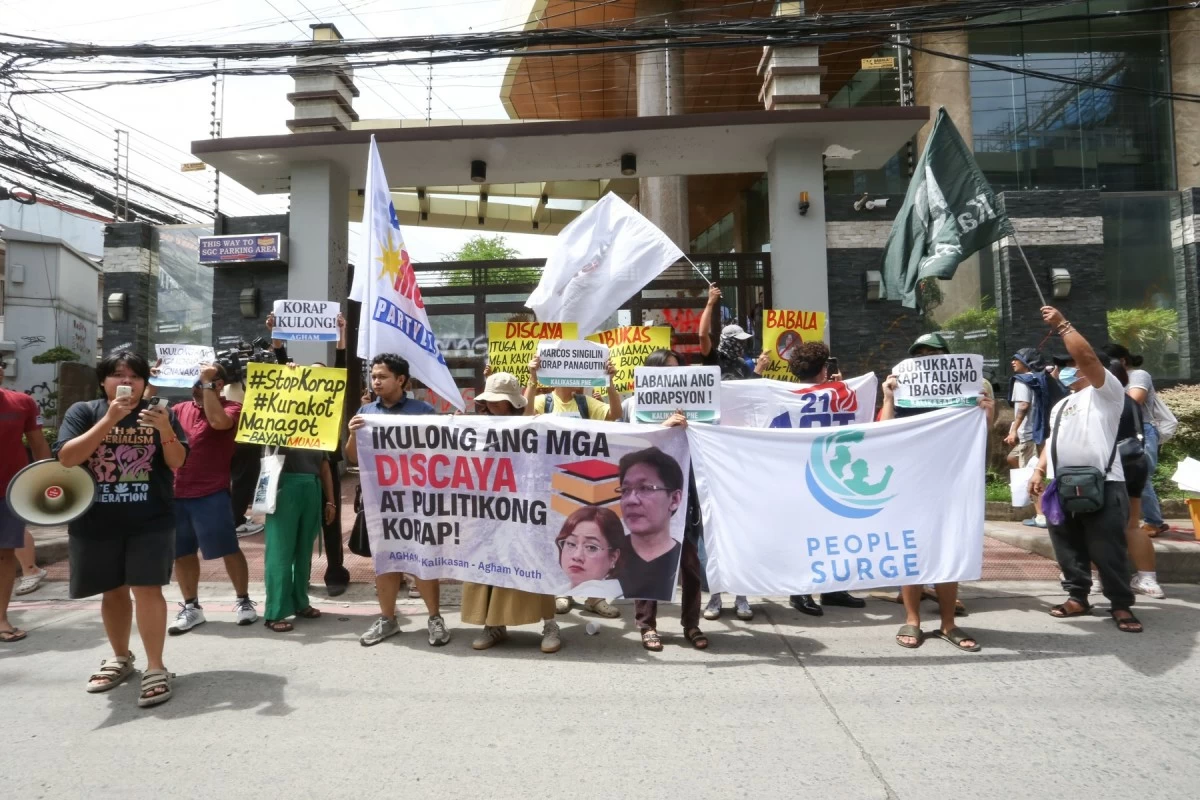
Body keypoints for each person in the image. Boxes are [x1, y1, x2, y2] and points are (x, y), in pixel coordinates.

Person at [54, 352, 189, 707]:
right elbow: (67, 458)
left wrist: (164, 431)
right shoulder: (84, 412)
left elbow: (177, 462)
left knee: (147, 590)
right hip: (96, 519)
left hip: (151, 519)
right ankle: (120, 657)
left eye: (134, 376)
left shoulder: (163, 414)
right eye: (116, 375)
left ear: (146, 383)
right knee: (112, 591)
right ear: (103, 380)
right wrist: (111, 418)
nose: (125, 382)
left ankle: (156, 667)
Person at [1028, 307, 1142, 634]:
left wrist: (1063, 325)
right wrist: (1038, 471)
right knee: (1067, 545)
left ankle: (1121, 604)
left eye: (1069, 364)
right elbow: (1052, 439)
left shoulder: (1106, 393)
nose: (1066, 369)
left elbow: (1089, 358)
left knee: (1108, 548)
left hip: (1105, 484)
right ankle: (1078, 596)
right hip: (1063, 485)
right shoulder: (1062, 404)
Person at [880, 333, 993, 651]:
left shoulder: (970, 391)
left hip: (951, 481)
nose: (927, 359)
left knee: (948, 548)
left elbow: (981, 435)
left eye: (934, 354)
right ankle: (912, 619)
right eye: (921, 355)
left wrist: (987, 410)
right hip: (911, 481)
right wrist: (888, 398)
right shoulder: (902, 393)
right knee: (912, 550)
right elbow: (884, 433)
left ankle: (948, 624)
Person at [347, 353, 452, 647]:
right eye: (374, 376)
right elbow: (353, 457)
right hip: (381, 502)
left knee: (423, 559)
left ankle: (434, 618)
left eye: (382, 376)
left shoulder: (423, 411)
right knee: (386, 561)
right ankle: (388, 619)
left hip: (418, 501)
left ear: (401, 380)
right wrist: (353, 434)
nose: (376, 381)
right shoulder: (366, 412)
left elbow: (441, 454)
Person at [143, 363, 257, 634]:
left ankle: (243, 601)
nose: (196, 386)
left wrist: (207, 382)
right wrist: (153, 381)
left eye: (204, 382)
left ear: (219, 385)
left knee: (227, 548)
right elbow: (142, 415)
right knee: (181, 553)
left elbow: (219, 423)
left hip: (211, 492)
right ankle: (191, 606)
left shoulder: (232, 408)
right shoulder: (179, 409)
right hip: (174, 493)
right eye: (194, 382)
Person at [462, 372, 561, 653]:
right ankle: (493, 625)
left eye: (498, 401)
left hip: (528, 507)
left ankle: (550, 624)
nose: (491, 405)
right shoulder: (477, 428)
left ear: (511, 403)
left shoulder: (534, 425)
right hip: (490, 509)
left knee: (535, 561)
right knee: (490, 562)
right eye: (489, 400)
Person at [619, 348, 708, 651]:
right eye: (668, 371)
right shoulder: (634, 404)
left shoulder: (696, 407)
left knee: (690, 563)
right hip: (649, 494)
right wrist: (662, 428)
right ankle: (647, 625)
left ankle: (691, 623)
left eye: (678, 371)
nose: (675, 377)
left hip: (683, 493)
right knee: (649, 559)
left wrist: (691, 427)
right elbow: (630, 444)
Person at [524, 354, 623, 619]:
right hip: (551, 481)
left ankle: (594, 596)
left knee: (593, 536)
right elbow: (522, 419)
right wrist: (532, 379)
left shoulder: (586, 403)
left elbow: (615, 414)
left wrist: (610, 381)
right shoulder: (541, 401)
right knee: (559, 537)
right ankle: (561, 591)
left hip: (586, 480)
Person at [776, 341, 869, 619]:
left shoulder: (785, 394)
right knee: (810, 533)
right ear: (822, 369)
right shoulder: (829, 393)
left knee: (832, 532)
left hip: (822, 472)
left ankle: (832, 588)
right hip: (815, 473)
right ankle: (800, 589)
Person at [269, 312, 352, 595]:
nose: (316, 375)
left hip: (326, 463)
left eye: (321, 372)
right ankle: (300, 574)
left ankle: (335, 571)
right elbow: (282, 371)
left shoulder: (332, 397)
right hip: (298, 467)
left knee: (331, 520)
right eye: (310, 372)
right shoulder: (294, 399)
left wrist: (342, 334)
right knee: (299, 522)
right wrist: (278, 345)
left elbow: (340, 368)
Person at [0, 356, 51, 641]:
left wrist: (47, 479)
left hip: (9, 492)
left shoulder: (23, 403)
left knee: (4, 555)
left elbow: (38, 443)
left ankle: (1, 620)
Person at [261, 440, 335, 632]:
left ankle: (301, 602)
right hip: (284, 486)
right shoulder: (277, 424)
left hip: (312, 487)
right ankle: (274, 612)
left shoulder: (317, 427)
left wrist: (331, 501)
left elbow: (324, 467)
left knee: (304, 552)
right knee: (280, 553)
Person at [1108, 359, 1163, 599]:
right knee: (1132, 524)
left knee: (1095, 524)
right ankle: (1148, 579)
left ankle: (1098, 578)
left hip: (1109, 466)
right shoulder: (1129, 400)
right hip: (1134, 463)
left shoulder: (1101, 401)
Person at [1105, 344, 1170, 538]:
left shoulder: (1138, 375)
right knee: (1125, 476)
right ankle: (1132, 521)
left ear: (1122, 361)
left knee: (1141, 476)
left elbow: (1135, 399)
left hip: (1144, 430)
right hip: (1121, 431)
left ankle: (1153, 522)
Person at [1006, 347, 1051, 528]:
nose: (1013, 362)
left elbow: (1024, 406)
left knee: (1030, 476)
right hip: (1038, 433)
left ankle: (1041, 515)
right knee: (1011, 458)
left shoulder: (1021, 381)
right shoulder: (1037, 379)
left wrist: (1013, 430)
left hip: (1028, 435)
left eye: (1017, 359)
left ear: (1026, 363)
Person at [556, 506, 627, 598]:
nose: (577, 556)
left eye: (591, 547)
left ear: (613, 557)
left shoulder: (602, 595)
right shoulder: (560, 591)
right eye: (571, 544)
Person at [699, 284, 766, 380]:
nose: (741, 345)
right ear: (728, 341)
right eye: (738, 341)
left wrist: (759, 369)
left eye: (743, 341)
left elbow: (750, 390)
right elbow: (702, 335)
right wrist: (710, 303)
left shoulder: (742, 365)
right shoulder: (714, 359)